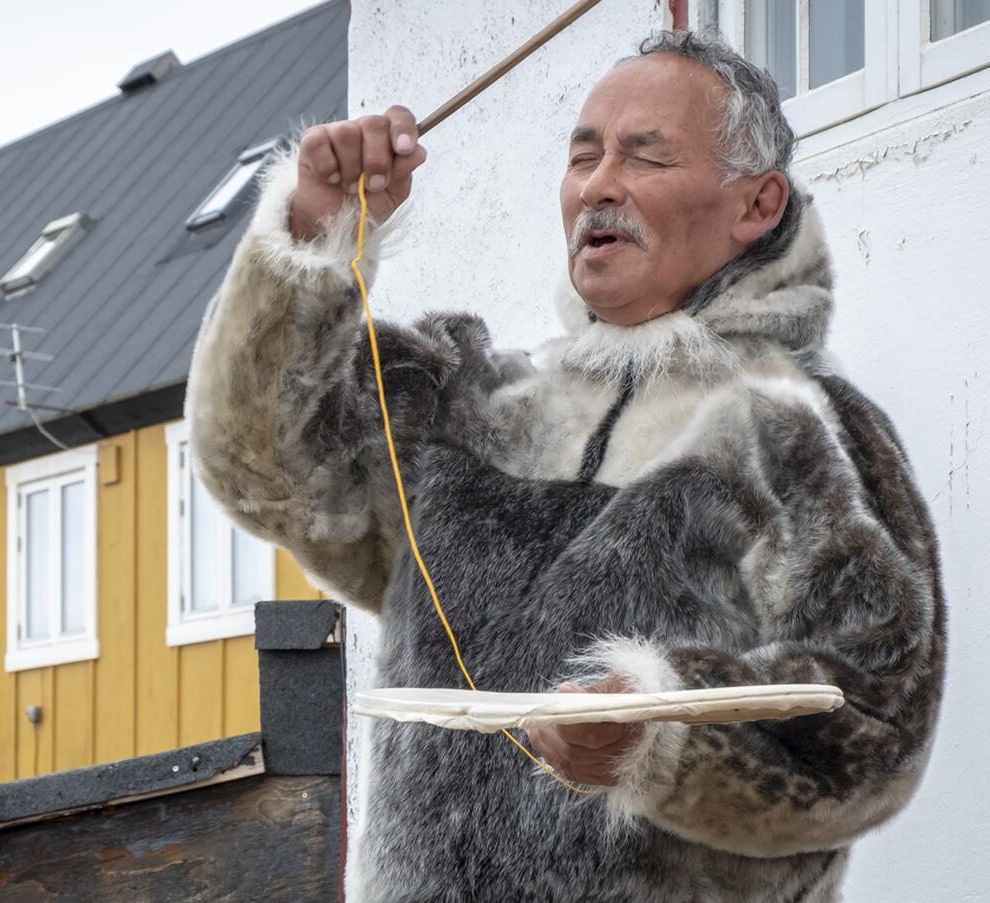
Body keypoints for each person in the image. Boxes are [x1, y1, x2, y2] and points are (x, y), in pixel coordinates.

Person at [187, 29, 945, 903]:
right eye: (584, 156)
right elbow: (262, 463)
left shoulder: (799, 433)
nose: (598, 185)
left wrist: (658, 732)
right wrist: (316, 231)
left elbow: (872, 725)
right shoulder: (474, 405)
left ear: (757, 205)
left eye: (644, 156)